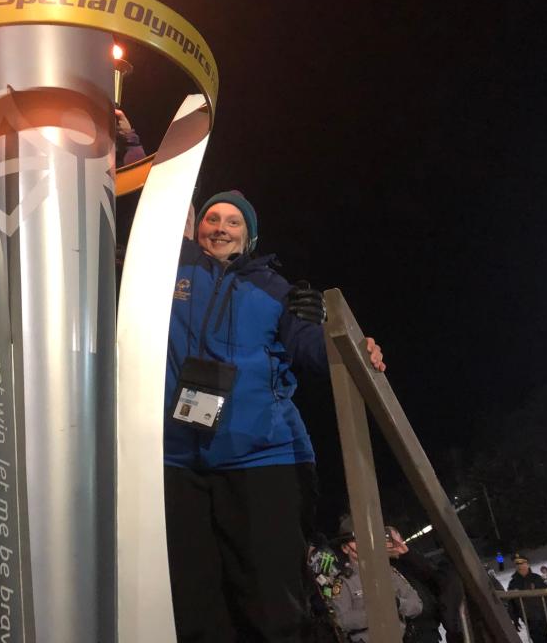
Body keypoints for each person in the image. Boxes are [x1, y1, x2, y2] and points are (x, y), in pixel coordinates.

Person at [163, 190, 385, 642]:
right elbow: (167, 191)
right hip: (180, 461)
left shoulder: (277, 291)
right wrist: (125, 142)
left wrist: (353, 349)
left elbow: (311, 348)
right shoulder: (172, 272)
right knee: (194, 608)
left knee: (271, 604)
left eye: (233, 222)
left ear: (250, 236)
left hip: (261, 457)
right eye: (212, 218)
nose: (220, 227)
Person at [330, 519, 422, 643]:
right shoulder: (344, 581)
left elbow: (417, 604)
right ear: (345, 548)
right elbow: (341, 620)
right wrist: (375, 613)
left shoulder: (389, 572)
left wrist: (398, 604)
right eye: (356, 539)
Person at [506, 555, 547, 643]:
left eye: (522, 563)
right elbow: (511, 602)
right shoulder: (513, 582)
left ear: (527, 564)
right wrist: (514, 618)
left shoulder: (537, 578)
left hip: (543, 616)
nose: (520, 566)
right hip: (528, 618)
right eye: (517, 564)